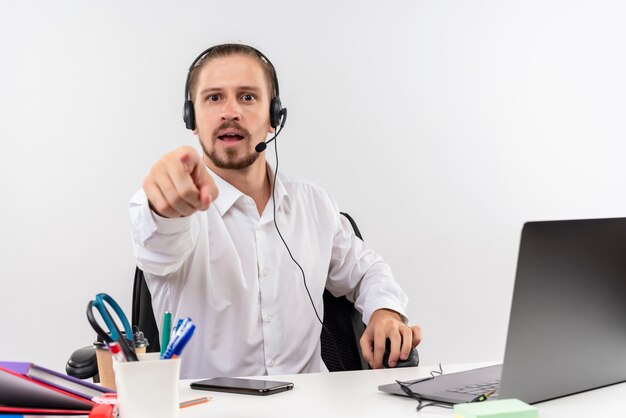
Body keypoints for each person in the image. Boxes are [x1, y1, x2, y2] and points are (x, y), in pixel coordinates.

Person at [129, 43, 422, 379]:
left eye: (248, 97)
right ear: (191, 118)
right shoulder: (175, 205)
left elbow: (367, 270)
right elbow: (156, 245)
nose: (230, 112)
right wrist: (163, 208)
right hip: (210, 407)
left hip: (311, 403)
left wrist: (385, 311)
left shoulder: (313, 204)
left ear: (274, 117)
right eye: (213, 98)